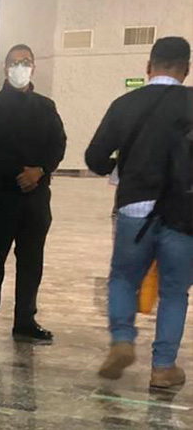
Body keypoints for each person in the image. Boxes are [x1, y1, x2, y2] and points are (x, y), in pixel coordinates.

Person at [86, 36, 192, 389]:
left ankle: (122, 340)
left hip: (134, 209)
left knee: (123, 278)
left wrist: (122, 166)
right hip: (184, 216)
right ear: (186, 69)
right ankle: (163, 368)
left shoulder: (125, 105)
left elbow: (94, 158)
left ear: (148, 66)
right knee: (174, 292)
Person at [0, 44, 67, 346]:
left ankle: (25, 321)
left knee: (31, 261)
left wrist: (40, 170)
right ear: (5, 68)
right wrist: (19, 173)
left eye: (25, 62)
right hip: (0, 197)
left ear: (33, 67)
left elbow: (58, 144)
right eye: (14, 62)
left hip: (35, 200)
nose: (20, 67)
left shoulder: (46, 107)